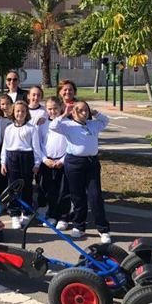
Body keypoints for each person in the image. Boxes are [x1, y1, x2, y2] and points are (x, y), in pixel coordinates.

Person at [50, 100, 111, 243]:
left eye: (86, 110)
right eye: (80, 110)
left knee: (95, 196)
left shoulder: (93, 125)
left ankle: (103, 229)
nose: (84, 113)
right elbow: (53, 126)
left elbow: (105, 121)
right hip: (74, 163)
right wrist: (65, 113)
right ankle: (79, 225)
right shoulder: (67, 125)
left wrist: (96, 113)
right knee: (77, 196)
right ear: (74, 112)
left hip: (91, 163)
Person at [0, 101, 41, 229]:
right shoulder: (8, 128)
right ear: (13, 112)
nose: (20, 113)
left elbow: (36, 147)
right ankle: (14, 214)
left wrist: (37, 163)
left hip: (26, 158)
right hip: (12, 158)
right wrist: (3, 162)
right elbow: (5, 147)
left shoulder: (31, 128)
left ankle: (26, 212)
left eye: (23, 111)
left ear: (26, 113)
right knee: (13, 187)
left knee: (27, 186)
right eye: (18, 111)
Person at [38, 97, 69, 230]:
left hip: (63, 161)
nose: (52, 111)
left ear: (61, 107)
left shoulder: (67, 123)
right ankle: (52, 215)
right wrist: (45, 159)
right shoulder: (43, 123)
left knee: (64, 190)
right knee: (50, 191)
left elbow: (71, 144)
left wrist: (62, 160)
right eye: (49, 109)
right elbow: (38, 144)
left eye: (55, 108)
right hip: (48, 161)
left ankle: (63, 217)